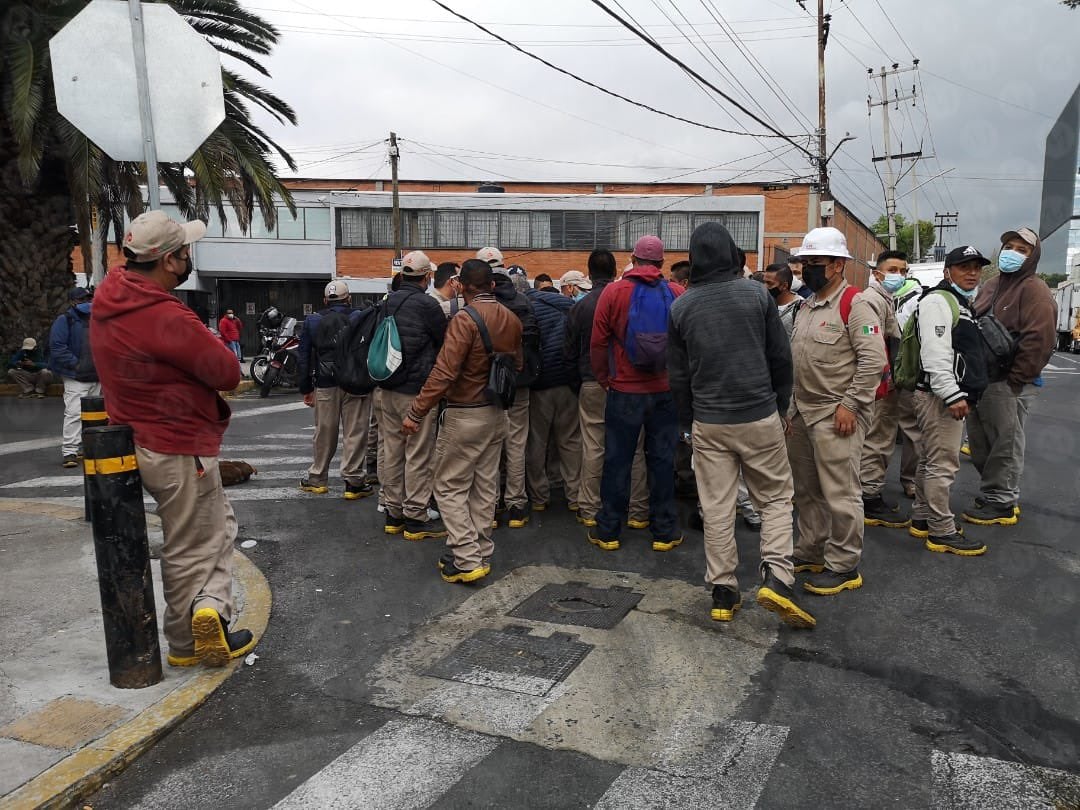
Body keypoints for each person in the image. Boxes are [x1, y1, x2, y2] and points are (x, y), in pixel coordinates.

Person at [91, 210, 253, 668]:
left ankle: (211, 611)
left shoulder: (112, 296)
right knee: (192, 543)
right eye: (185, 251)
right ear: (168, 260)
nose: (189, 257)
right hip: (177, 441)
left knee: (216, 527)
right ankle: (189, 634)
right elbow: (225, 371)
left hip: (138, 435)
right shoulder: (162, 314)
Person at [403, 259, 523, 583]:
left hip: (464, 413)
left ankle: (467, 558)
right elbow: (519, 365)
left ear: (461, 287)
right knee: (485, 487)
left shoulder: (463, 319)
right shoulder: (512, 319)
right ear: (493, 286)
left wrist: (416, 411)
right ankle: (480, 552)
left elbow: (444, 372)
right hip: (498, 413)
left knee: (448, 486)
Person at [785, 227, 887, 596]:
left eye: (815, 262)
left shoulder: (857, 304)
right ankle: (812, 547)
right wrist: (790, 410)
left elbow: (873, 360)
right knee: (807, 490)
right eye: (805, 262)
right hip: (803, 413)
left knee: (841, 493)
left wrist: (851, 405)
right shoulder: (805, 305)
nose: (807, 269)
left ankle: (844, 565)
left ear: (838, 264)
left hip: (836, 414)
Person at [589, 234, 684, 552]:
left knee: (617, 460)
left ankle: (608, 531)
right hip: (664, 391)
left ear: (633, 259)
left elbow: (598, 342)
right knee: (661, 460)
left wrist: (604, 378)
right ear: (661, 262)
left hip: (624, 391)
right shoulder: (675, 292)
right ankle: (664, 532)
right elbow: (685, 345)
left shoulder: (614, 292)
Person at [962, 228, 1056, 526]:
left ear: (1032, 257)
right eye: (1009, 246)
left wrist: (1016, 380)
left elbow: (1040, 339)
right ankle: (992, 493)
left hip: (1008, 381)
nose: (1011, 253)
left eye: (1021, 250)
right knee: (981, 442)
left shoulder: (1034, 289)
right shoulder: (991, 284)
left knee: (1006, 443)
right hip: (982, 379)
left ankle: (1001, 501)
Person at [910, 246, 991, 555]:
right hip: (939, 397)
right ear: (947, 272)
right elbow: (935, 352)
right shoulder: (937, 301)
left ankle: (921, 517)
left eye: (976, 267)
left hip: (940, 395)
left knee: (931, 459)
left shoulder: (958, 302)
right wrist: (952, 393)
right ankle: (941, 530)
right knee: (942, 465)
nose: (972, 272)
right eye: (964, 267)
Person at [564, 250, 649, 530]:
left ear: (588, 274)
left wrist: (581, 381)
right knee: (635, 447)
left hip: (591, 382)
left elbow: (570, 352)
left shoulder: (580, 306)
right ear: (615, 271)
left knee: (593, 446)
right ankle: (637, 510)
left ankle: (589, 507)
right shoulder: (628, 297)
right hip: (628, 381)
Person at [372, 251, 449, 540]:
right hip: (416, 392)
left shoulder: (386, 303)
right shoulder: (428, 305)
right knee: (418, 454)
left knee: (392, 451)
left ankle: (393, 513)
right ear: (427, 277)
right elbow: (444, 342)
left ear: (402, 276)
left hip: (386, 387)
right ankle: (415, 516)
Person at [479, 246, 540, 529]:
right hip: (519, 382)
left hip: (487, 384)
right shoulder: (523, 301)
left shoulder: (480, 302)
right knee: (517, 443)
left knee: (490, 447)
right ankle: (517, 504)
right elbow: (532, 340)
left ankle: (490, 506)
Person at [297, 280, 373, 500]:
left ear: (325, 300)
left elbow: (304, 358)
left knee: (324, 431)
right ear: (348, 299)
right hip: (356, 382)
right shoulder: (360, 316)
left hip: (325, 383)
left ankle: (317, 479)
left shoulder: (312, 321)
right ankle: (354, 481)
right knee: (355, 432)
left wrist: (306, 387)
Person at [858, 251, 908, 529]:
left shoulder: (883, 298)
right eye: (893, 269)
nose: (898, 275)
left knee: (879, 439)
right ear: (878, 273)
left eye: (903, 270)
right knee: (877, 439)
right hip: (880, 385)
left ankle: (869, 491)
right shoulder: (873, 300)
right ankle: (869, 497)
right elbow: (874, 346)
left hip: (883, 383)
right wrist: (883, 382)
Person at [524, 271, 581, 514]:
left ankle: (538, 496)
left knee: (537, 441)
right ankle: (575, 495)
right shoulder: (571, 308)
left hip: (540, 385)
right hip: (568, 383)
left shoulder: (531, 309)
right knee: (570, 440)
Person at [49, 288, 101, 468]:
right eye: (83, 299)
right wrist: (78, 365)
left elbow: (57, 348)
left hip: (88, 374)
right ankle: (72, 450)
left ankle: (76, 449)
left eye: (88, 298)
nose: (87, 302)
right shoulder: (67, 320)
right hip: (80, 375)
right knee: (79, 414)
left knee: (83, 414)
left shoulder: (68, 319)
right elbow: (58, 349)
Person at [762, 263, 802, 339]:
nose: (764, 286)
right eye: (764, 282)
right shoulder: (764, 304)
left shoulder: (800, 308)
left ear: (784, 286)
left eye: (769, 283)